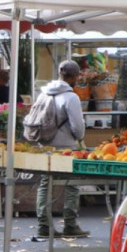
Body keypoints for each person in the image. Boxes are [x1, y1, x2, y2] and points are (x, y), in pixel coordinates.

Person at [36, 60, 87, 238]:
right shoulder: (71, 97)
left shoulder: (44, 93)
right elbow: (78, 129)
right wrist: (79, 138)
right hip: (66, 148)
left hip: (45, 146)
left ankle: (43, 225)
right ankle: (70, 224)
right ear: (74, 77)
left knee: (45, 184)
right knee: (71, 185)